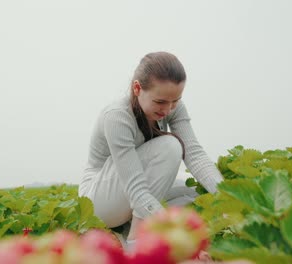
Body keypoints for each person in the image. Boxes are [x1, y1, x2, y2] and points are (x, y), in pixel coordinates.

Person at [79, 51, 223, 249]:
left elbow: (195, 155)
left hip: (126, 193)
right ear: (137, 88)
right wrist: (170, 227)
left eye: (176, 100)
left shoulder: (172, 107)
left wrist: (226, 196)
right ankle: (135, 242)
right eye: (160, 102)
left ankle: (130, 228)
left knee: (195, 192)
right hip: (99, 201)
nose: (168, 109)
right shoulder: (117, 117)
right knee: (171, 146)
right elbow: (136, 188)